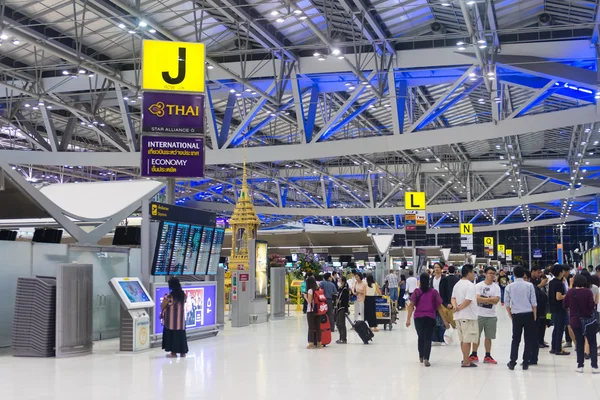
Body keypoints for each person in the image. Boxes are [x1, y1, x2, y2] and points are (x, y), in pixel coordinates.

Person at [406, 272, 449, 367]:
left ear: (420, 281)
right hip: (430, 317)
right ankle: (426, 358)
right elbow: (440, 307)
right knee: (428, 338)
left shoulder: (416, 292)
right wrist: (445, 321)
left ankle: (421, 356)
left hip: (418, 318)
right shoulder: (433, 292)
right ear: (429, 280)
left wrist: (408, 319)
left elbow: (411, 305)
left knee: (420, 337)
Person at [563, 274, 599, 373]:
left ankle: (580, 365)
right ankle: (594, 366)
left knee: (579, 343)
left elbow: (565, 305)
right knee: (592, 342)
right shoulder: (588, 292)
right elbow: (592, 306)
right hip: (588, 321)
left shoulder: (570, 292)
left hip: (575, 320)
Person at [505, 266, 537, 370]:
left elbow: (507, 303)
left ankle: (512, 361)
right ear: (524, 274)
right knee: (528, 339)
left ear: (514, 274)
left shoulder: (509, 287)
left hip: (516, 315)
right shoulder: (529, 285)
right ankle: (525, 362)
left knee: (515, 339)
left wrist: (510, 314)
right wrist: (534, 315)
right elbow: (533, 302)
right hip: (528, 314)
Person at [451, 264, 480, 368]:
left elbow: (453, 298)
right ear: (469, 273)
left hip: (458, 317)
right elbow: (468, 300)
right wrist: (459, 307)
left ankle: (465, 359)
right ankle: (466, 361)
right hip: (468, 316)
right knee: (467, 340)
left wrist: (455, 307)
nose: (474, 274)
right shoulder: (470, 285)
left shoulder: (457, 284)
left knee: (463, 340)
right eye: (473, 272)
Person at [471, 266, 500, 364]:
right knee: (476, 336)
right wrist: (490, 299)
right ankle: (474, 354)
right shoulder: (478, 286)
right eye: (490, 273)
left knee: (489, 337)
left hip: (491, 316)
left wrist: (484, 299)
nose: (492, 275)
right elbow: (477, 299)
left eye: (494, 273)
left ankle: (487, 355)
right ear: (485, 274)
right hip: (478, 315)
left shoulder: (496, 287)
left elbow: (496, 301)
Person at [161, 277, 189, 358]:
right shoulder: (183, 295)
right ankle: (182, 353)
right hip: (180, 321)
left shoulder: (169, 296)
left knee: (172, 336)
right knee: (181, 336)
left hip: (171, 321)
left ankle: (173, 353)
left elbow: (163, 305)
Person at [548, 264, 570, 355]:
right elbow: (559, 297)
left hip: (553, 308)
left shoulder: (552, 282)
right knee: (560, 329)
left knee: (556, 329)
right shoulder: (559, 284)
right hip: (560, 308)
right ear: (561, 272)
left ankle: (553, 348)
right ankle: (558, 349)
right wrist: (568, 295)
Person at [530, 266, 549, 352]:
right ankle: (537, 341)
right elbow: (533, 290)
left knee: (543, 324)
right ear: (533, 271)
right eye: (538, 272)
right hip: (536, 307)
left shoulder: (539, 280)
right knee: (537, 325)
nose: (539, 274)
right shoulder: (531, 282)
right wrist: (541, 285)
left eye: (540, 272)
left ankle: (541, 340)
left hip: (543, 306)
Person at [431, 263, 448, 345]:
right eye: (435, 267)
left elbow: (447, 291)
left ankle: (442, 339)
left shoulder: (444, 279)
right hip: (433, 302)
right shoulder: (432, 279)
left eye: (438, 267)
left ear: (441, 269)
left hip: (442, 302)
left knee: (442, 321)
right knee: (433, 321)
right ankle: (434, 339)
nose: (436, 269)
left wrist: (447, 302)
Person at [305, 276, 322, 349]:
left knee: (311, 327)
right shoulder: (318, 289)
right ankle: (319, 343)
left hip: (311, 311)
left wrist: (305, 296)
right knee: (318, 327)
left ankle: (311, 343)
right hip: (318, 310)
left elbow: (309, 301)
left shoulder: (310, 291)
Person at [335, 276, 350, 344]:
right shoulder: (340, 289)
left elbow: (344, 300)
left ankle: (344, 339)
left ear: (343, 281)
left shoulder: (345, 289)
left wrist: (339, 301)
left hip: (342, 308)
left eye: (340, 279)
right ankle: (340, 337)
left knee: (341, 323)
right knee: (338, 323)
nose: (339, 280)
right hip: (338, 307)